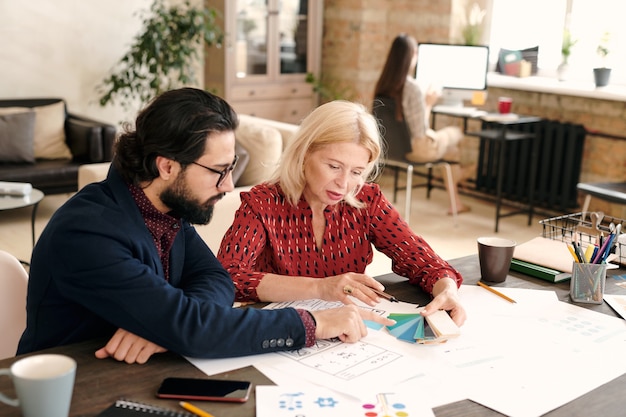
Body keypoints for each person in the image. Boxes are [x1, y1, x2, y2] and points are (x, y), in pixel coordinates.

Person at [17, 88, 393, 364]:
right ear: (167, 166)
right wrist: (313, 323)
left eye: (231, 169)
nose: (229, 185)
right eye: (218, 171)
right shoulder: (87, 232)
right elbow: (196, 328)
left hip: (139, 369)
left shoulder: (164, 206)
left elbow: (216, 279)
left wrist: (167, 325)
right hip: (70, 382)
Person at [218, 100, 466, 326]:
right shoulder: (263, 203)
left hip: (350, 331)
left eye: (357, 172)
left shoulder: (367, 200)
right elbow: (227, 277)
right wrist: (321, 288)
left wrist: (447, 290)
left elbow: (421, 260)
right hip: (283, 329)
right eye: (334, 166)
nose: (344, 183)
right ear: (304, 154)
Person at [374, 34, 471, 214]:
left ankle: (456, 198)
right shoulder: (412, 88)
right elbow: (421, 132)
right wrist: (429, 103)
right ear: (410, 57)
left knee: (451, 153)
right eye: (415, 53)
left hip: (391, 150)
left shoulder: (383, 84)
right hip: (418, 150)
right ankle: (462, 176)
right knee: (456, 132)